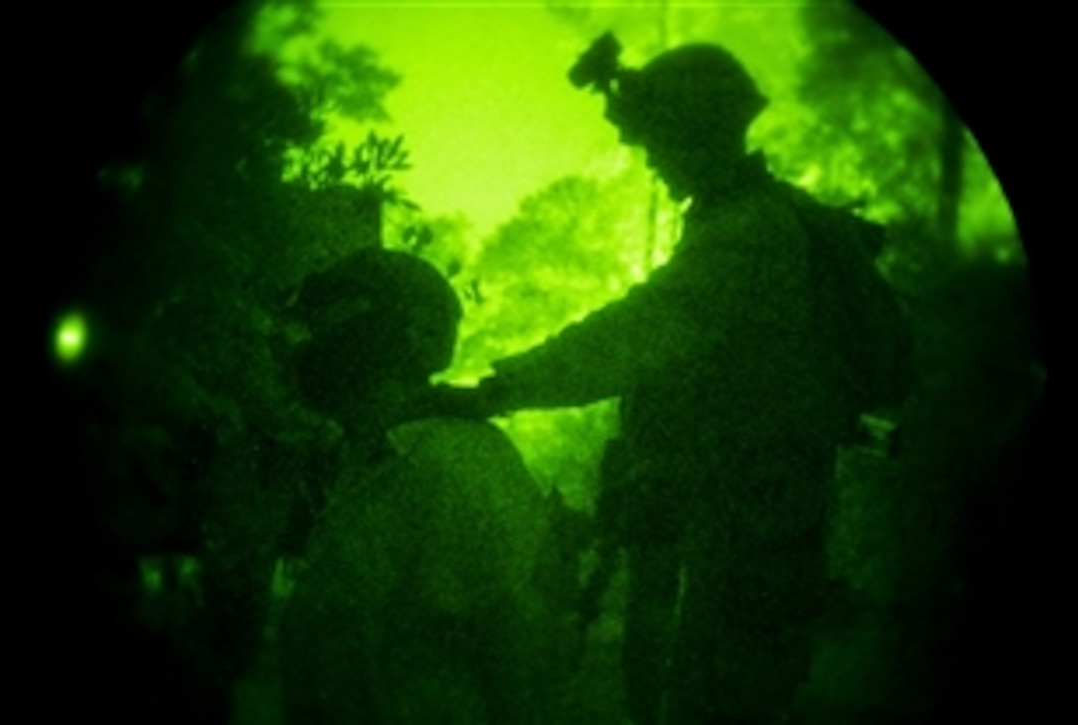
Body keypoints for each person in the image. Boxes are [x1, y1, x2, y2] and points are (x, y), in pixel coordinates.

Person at [429, 34, 912, 724]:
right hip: (748, 498)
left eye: (658, 141)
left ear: (695, 134)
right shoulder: (748, 217)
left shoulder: (745, 232)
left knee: (720, 694)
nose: (651, 158)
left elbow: (634, 335)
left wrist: (497, 392)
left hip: (756, 505)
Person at [277, 247, 570, 724]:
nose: (299, 351)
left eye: (316, 331)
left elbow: (509, 641)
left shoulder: (437, 461)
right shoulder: (379, 451)